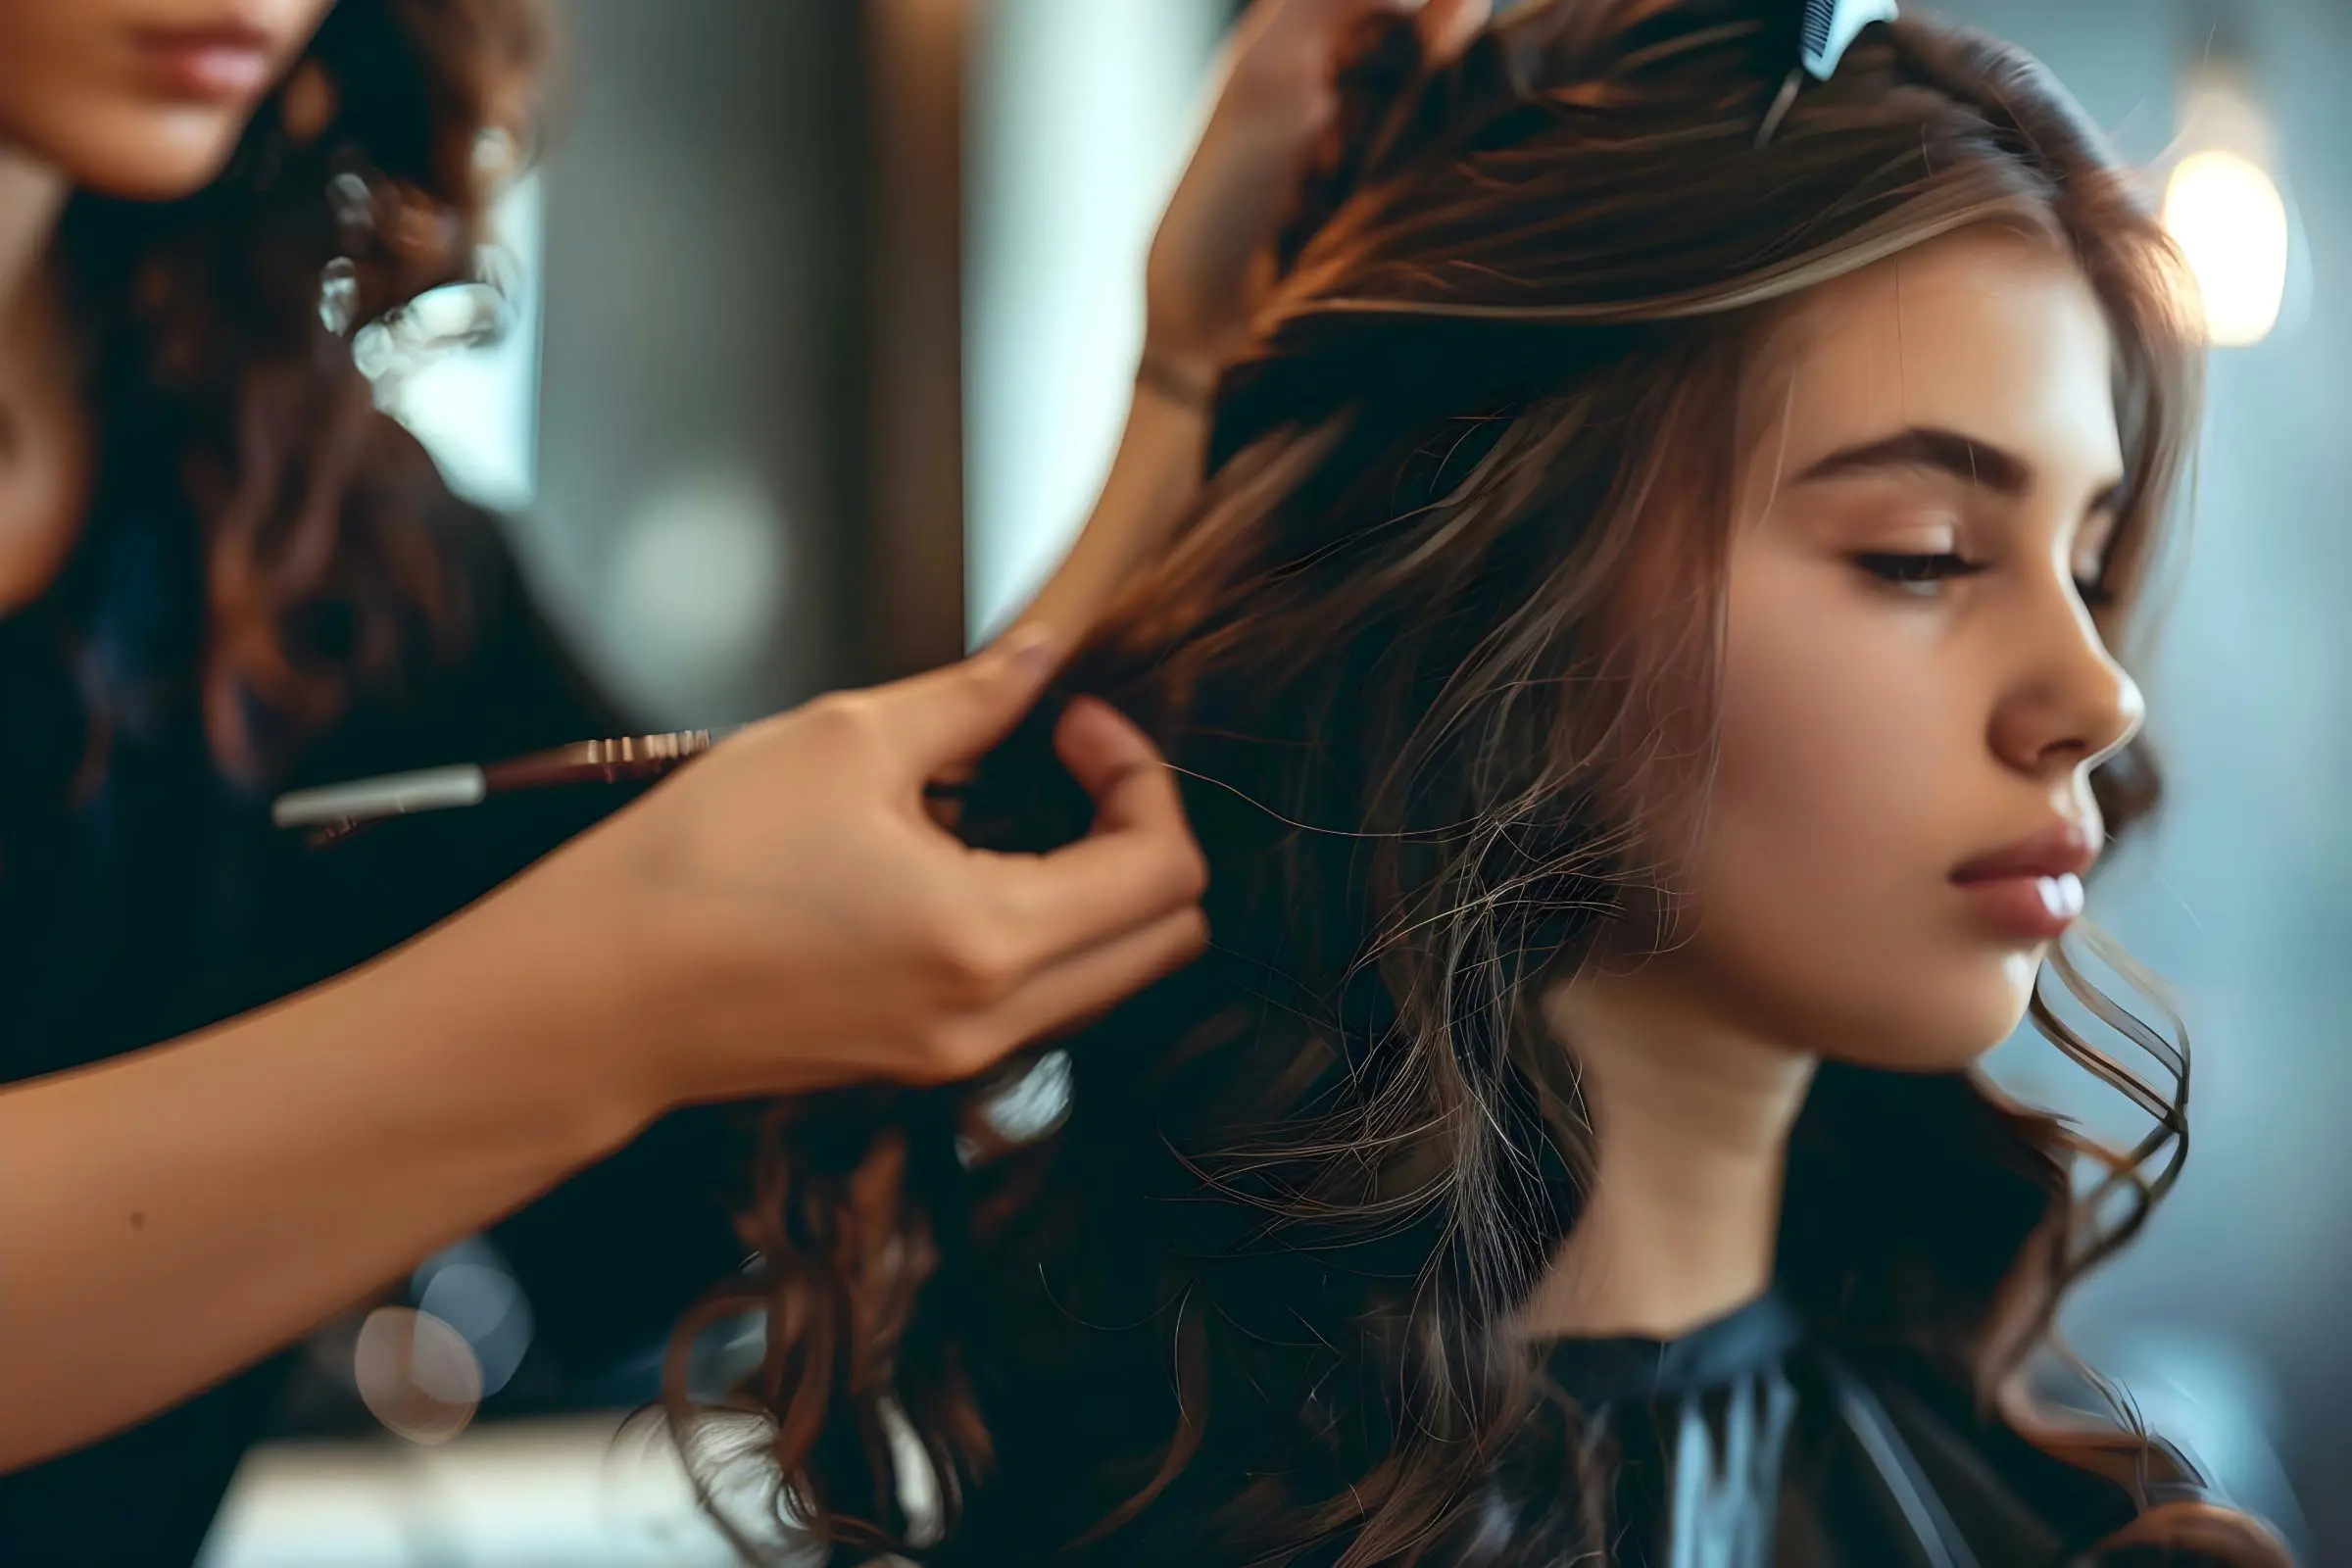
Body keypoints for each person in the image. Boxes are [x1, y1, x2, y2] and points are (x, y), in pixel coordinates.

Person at [689, 2, 2296, 1564]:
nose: (2098, 695)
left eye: (2087, 564)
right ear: (1500, 594)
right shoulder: (1133, 1503)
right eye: (1922, 558)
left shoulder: (2091, 1531)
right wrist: (1181, 386)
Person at [0, 0, 1483, 1556]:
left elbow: (822, 967)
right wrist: (610, 996)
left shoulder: (294, 520)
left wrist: (1189, 375)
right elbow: (671, 980)